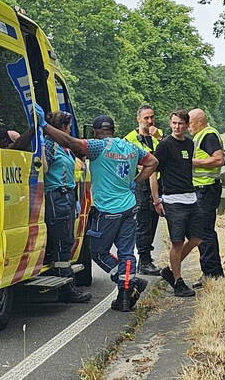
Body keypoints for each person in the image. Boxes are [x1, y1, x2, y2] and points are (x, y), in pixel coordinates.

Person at [40, 113, 159, 312]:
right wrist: (136, 180)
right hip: (129, 206)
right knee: (127, 252)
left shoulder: (98, 146)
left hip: (107, 210)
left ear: (95, 132)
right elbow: (153, 162)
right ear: (113, 130)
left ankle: (125, 283)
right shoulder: (130, 147)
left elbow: (69, 141)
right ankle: (124, 293)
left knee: (98, 252)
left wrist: (43, 125)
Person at [149, 110, 202, 297]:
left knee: (197, 238)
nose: (177, 126)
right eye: (174, 123)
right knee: (177, 242)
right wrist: (157, 200)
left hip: (191, 197)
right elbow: (152, 173)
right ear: (170, 124)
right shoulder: (164, 145)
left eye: (180, 123)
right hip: (172, 200)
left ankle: (170, 271)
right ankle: (178, 282)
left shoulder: (189, 143)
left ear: (187, 125)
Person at [42, 109, 92, 303]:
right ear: (62, 128)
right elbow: (44, 169)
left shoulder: (64, 147)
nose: (70, 130)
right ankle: (66, 288)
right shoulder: (50, 145)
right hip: (56, 196)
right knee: (62, 244)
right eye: (69, 127)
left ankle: (66, 285)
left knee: (66, 242)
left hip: (67, 197)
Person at [123, 105, 164, 276]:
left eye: (152, 117)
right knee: (143, 222)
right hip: (140, 184)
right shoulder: (130, 139)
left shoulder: (158, 135)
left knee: (153, 221)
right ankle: (144, 260)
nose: (150, 121)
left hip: (159, 183)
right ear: (138, 119)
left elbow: (169, 152)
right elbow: (126, 161)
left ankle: (147, 257)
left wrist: (159, 137)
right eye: (146, 118)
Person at [189, 108, 225, 287]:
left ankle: (212, 273)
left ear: (199, 122)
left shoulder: (207, 135)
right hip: (203, 188)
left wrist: (192, 162)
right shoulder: (201, 135)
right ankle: (211, 271)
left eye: (190, 122)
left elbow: (219, 159)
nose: (188, 127)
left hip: (206, 189)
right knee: (202, 231)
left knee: (204, 232)